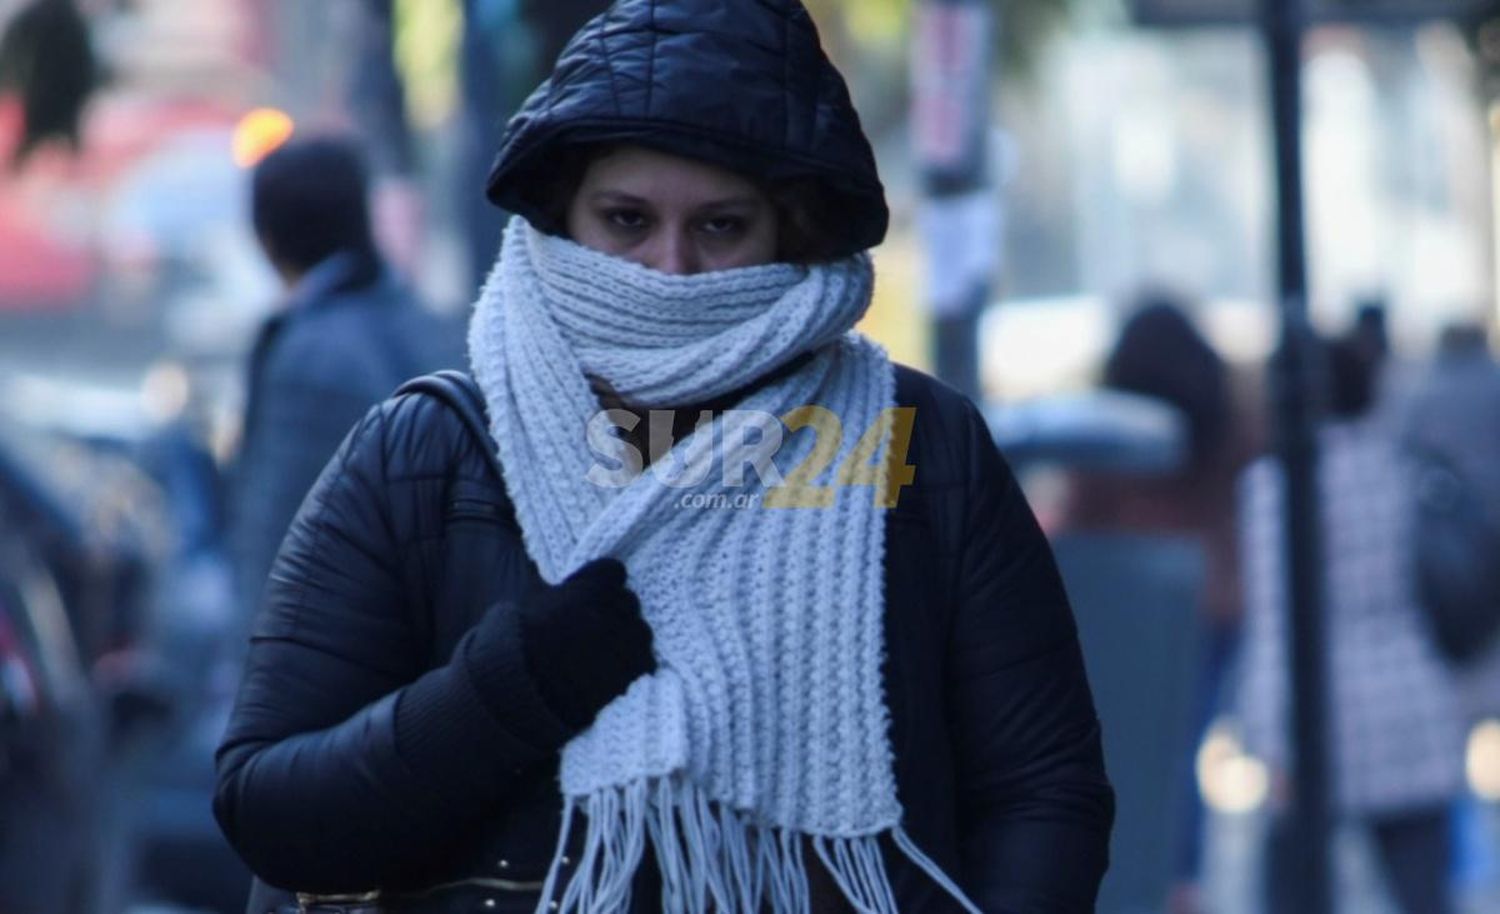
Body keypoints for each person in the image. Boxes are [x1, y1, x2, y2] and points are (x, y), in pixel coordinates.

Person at [213, 3, 1115, 913]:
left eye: (720, 227)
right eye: (627, 220)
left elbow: (1043, 793)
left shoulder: (917, 446)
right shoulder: (433, 452)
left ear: (790, 233)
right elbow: (272, 807)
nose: (668, 270)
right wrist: (505, 694)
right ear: (565, 218)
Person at [1239, 335, 1465, 914]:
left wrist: (1267, 739)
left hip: (1319, 711)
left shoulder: (1274, 486)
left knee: (1290, 891)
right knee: (1424, 894)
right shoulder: (1397, 465)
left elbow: (1274, 626)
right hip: (1409, 692)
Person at [1059, 293, 1260, 913]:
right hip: (1218, 599)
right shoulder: (1226, 415)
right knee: (1186, 751)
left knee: (1139, 760)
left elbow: (1075, 522)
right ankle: (1183, 883)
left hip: (1132, 616)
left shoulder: (1112, 428)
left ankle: (1162, 882)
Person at [229, 136, 460, 634]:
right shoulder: (424, 321)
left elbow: (275, 533)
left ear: (266, 236)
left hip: (352, 650)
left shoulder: (308, 354)